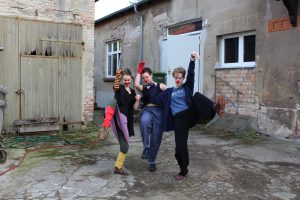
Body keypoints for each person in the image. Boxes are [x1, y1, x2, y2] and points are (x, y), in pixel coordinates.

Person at [157, 52, 226, 180]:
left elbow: (191, 74)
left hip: (190, 114)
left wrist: (192, 60)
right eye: (176, 77)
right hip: (179, 120)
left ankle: (216, 108)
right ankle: (183, 169)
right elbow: (154, 98)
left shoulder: (187, 87)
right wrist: (150, 87)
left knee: (197, 96)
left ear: (183, 78)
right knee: (179, 147)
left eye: (180, 77)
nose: (178, 79)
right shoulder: (168, 92)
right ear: (173, 78)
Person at [99, 68, 141, 175]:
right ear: (122, 79)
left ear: (131, 79)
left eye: (128, 80)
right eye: (125, 80)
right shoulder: (120, 88)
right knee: (113, 101)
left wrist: (137, 100)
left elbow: (135, 108)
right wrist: (117, 76)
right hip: (117, 117)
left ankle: (118, 166)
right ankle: (105, 126)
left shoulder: (132, 92)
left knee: (125, 146)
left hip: (125, 121)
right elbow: (116, 86)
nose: (126, 82)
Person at [134, 61, 167, 172]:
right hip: (148, 109)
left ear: (151, 75)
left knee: (156, 138)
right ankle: (146, 148)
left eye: (147, 77)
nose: (145, 79)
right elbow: (136, 84)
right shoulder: (144, 88)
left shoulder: (160, 85)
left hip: (159, 112)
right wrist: (139, 71)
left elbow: (170, 92)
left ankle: (152, 162)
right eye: (144, 78)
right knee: (143, 122)